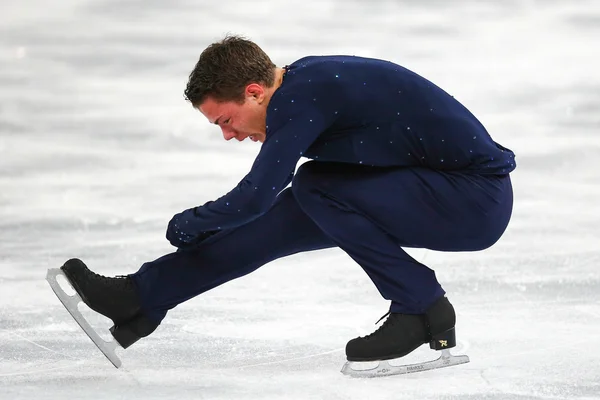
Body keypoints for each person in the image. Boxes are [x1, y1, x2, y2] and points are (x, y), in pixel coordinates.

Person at [60, 35, 515, 364]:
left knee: (315, 187)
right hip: (434, 189)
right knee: (290, 214)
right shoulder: (302, 85)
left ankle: (421, 306)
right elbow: (262, 208)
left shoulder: (302, 95)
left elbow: (256, 195)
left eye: (226, 120)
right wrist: (219, 222)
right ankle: (141, 299)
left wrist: (191, 222)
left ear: (254, 92)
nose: (229, 135)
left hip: (472, 199)